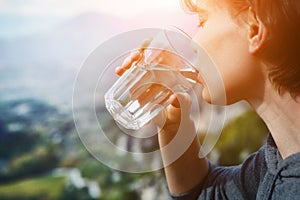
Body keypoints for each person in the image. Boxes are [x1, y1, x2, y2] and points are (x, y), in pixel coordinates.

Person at [116, 0, 300, 199]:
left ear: (254, 28)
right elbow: (204, 192)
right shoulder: (274, 163)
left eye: (202, 21)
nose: (193, 44)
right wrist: (171, 125)